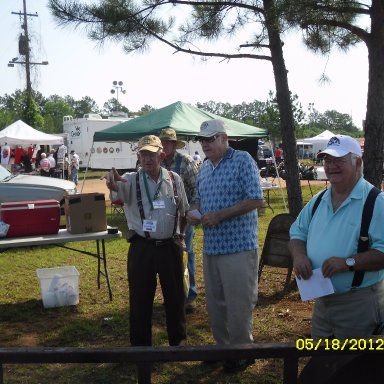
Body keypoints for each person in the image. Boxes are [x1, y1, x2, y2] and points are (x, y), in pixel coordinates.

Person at [186, 119, 264, 373]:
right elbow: (199, 201)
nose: (205, 144)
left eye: (210, 139)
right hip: (212, 247)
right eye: (202, 140)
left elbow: (255, 199)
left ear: (224, 138)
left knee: (239, 303)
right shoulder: (205, 168)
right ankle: (223, 348)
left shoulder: (243, 160)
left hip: (239, 246)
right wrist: (193, 212)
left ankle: (242, 351)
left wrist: (221, 215)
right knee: (216, 304)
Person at [289, 135, 384, 340]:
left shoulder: (376, 203)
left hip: (359, 304)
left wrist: (347, 263)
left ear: (357, 163)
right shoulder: (318, 200)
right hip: (322, 302)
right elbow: (297, 233)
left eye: (339, 161)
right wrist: (299, 257)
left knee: (353, 366)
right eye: (327, 161)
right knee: (322, 361)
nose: (331, 166)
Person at [106, 135, 189, 347]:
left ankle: (177, 343)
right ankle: (141, 348)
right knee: (140, 299)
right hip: (142, 247)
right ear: (138, 157)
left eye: (151, 154)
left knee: (175, 297)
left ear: (161, 155)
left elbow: (184, 212)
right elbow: (116, 191)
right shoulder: (131, 179)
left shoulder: (174, 179)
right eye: (143, 154)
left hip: (170, 246)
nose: (147, 159)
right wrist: (112, 184)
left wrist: (180, 236)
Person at [159, 128, 199, 313]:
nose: (165, 145)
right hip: (163, 219)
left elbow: (197, 188)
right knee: (167, 256)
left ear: (174, 145)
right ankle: (173, 294)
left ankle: (190, 295)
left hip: (184, 217)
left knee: (186, 252)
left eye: (168, 142)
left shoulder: (186, 162)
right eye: (162, 142)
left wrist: (191, 212)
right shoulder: (157, 162)